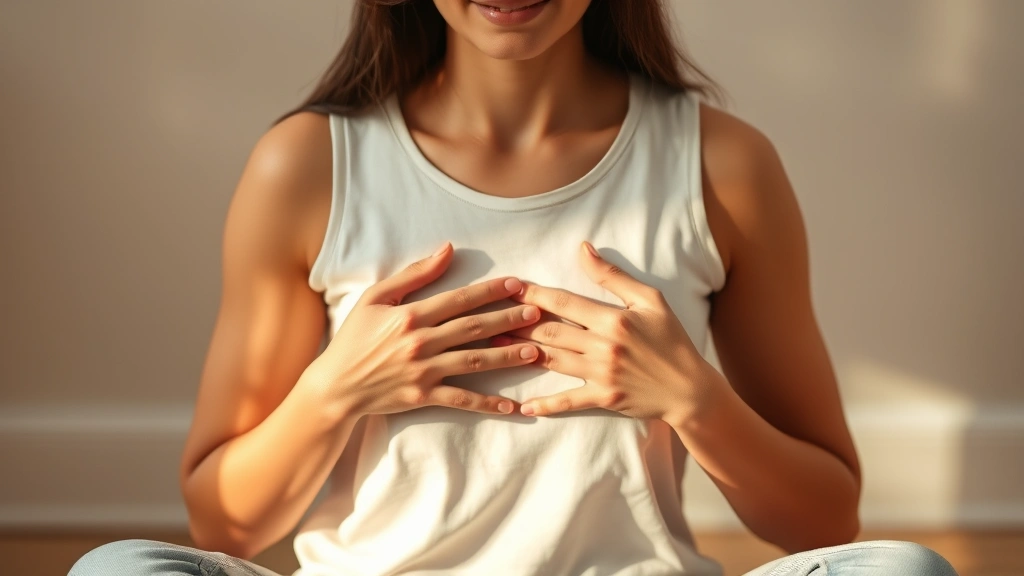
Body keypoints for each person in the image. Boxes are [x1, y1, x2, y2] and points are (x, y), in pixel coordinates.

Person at [71, 0, 960, 575]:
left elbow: (826, 521)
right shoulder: (305, 165)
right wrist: (336, 389)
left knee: (901, 572)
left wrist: (695, 399)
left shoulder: (724, 166)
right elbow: (222, 524)